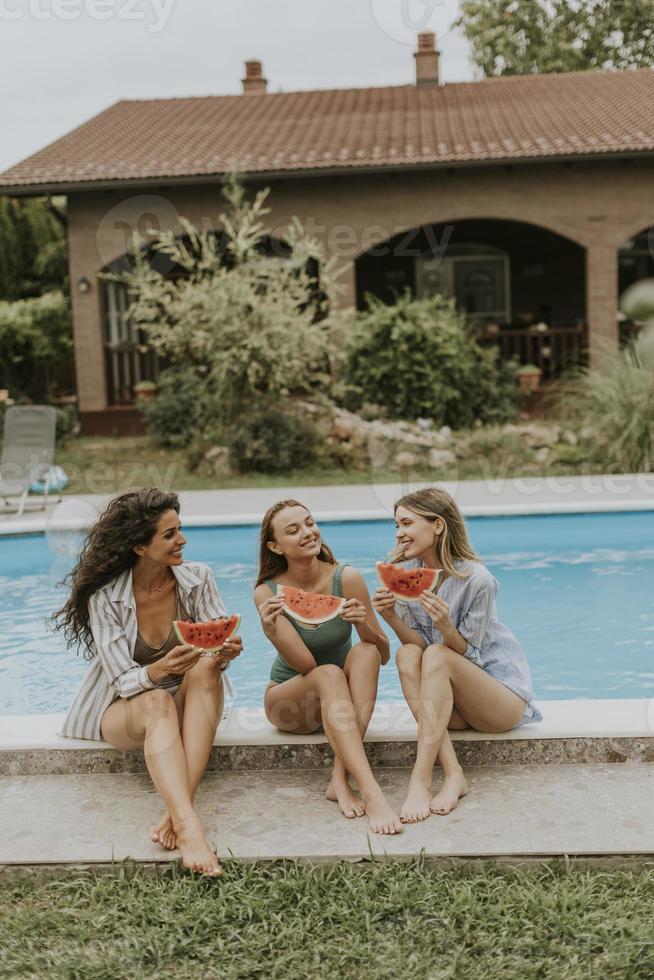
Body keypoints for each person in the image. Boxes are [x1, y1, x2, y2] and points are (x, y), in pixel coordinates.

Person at [54, 488, 242, 877]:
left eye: (180, 529)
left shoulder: (198, 577)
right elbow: (121, 681)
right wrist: (159, 671)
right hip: (126, 709)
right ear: (140, 547)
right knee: (156, 701)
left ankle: (176, 812)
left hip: (189, 700)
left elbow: (215, 637)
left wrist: (224, 650)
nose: (182, 540)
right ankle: (190, 827)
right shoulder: (105, 596)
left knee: (206, 668)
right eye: (169, 534)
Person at [373, 487, 541, 824]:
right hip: (452, 704)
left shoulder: (478, 579)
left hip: (500, 701)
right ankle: (454, 774)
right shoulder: (407, 573)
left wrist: (446, 626)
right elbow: (418, 649)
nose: (399, 533)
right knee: (407, 654)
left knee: (436, 653)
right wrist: (390, 616)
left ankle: (420, 781)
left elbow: (470, 654)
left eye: (406, 523)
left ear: (437, 525)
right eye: (396, 526)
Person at [254, 499, 403, 835]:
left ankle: (339, 778)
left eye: (309, 523)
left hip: (341, 706)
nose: (308, 533)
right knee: (328, 672)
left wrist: (364, 624)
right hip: (291, 703)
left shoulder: (346, 577)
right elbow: (305, 664)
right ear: (276, 546)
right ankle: (372, 792)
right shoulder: (267, 593)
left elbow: (382, 653)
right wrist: (273, 632)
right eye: (293, 530)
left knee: (363, 653)